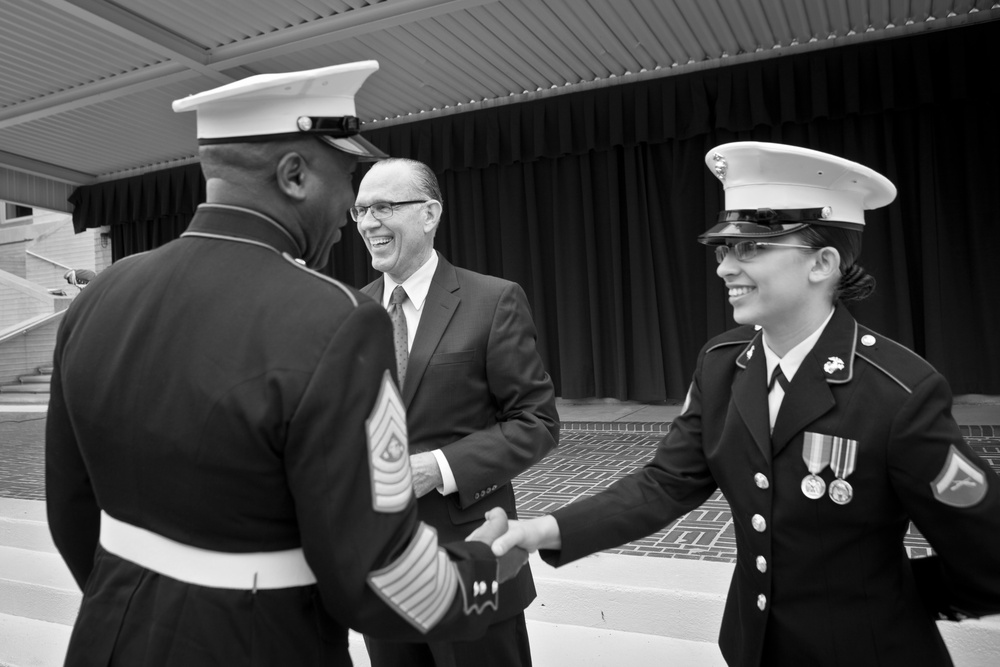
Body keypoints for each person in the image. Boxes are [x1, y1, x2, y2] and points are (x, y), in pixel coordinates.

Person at [45, 61, 526, 667]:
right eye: (346, 180)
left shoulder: (101, 297)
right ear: (295, 175)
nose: (351, 211)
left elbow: (69, 511)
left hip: (108, 637)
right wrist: (486, 571)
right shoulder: (339, 321)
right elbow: (378, 576)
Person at [491, 142, 1000, 666]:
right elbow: (666, 484)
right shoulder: (722, 365)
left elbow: (988, 550)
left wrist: (895, 598)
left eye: (751, 249)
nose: (724, 269)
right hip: (752, 647)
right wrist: (541, 530)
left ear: (823, 263)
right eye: (723, 251)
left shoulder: (898, 391)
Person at [354, 157, 559, 666]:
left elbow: (536, 423)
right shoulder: (350, 313)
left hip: (474, 559)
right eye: (360, 210)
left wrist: (439, 469)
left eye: (383, 207)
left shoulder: (492, 300)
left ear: (429, 214)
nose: (368, 223)